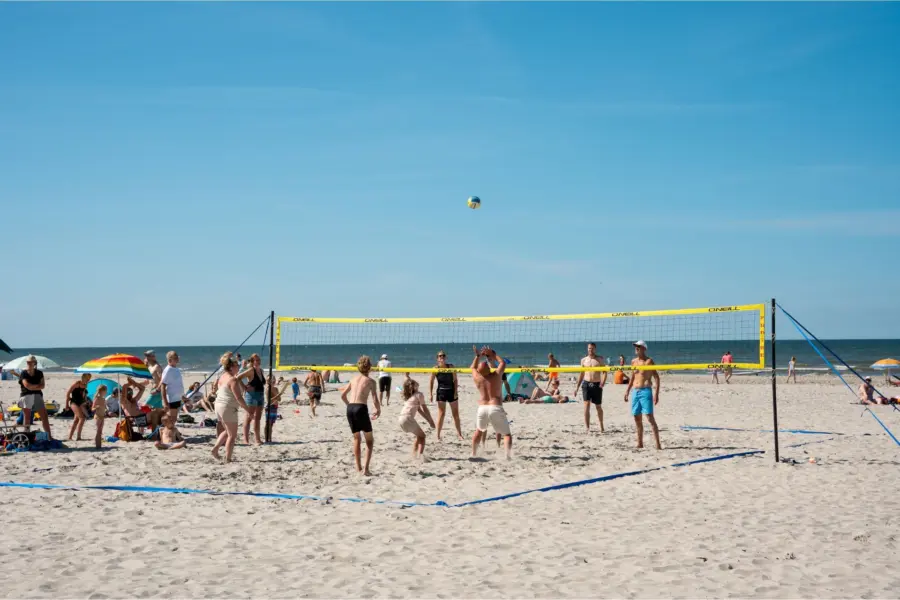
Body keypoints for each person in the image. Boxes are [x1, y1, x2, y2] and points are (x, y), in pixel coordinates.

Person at [340, 355, 381, 476]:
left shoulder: (353, 379)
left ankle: (358, 468)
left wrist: (350, 406)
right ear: (369, 367)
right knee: (369, 440)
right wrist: (378, 410)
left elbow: (342, 396)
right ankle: (366, 470)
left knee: (357, 438)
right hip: (360, 408)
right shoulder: (371, 381)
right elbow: (375, 399)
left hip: (350, 409)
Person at [470, 346, 512, 459]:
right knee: (507, 434)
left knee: (478, 431)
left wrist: (478, 356)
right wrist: (492, 354)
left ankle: (473, 454)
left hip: (482, 408)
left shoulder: (477, 378)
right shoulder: (496, 376)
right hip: (495, 406)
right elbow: (502, 362)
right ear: (489, 369)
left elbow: (473, 367)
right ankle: (507, 456)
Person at [212, 352, 250, 462]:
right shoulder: (232, 379)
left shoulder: (222, 376)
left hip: (218, 406)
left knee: (228, 431)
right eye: (237, 366)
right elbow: (238, 398)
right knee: (232, 436)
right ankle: (228, 458)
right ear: (232, 367)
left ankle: (215, 449)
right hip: (227, 407)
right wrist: (248, 411)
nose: (239, 367)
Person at [624, 341, 661, 450]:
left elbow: (657, 377)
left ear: (644, 348)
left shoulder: (649, 361)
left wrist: (656, 394)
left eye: (638, 347)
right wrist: (627, 391)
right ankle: (640, 443)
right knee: (637, 418)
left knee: (650, 418)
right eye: (635, 347)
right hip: (635, 391)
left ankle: (658, 445)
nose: (636, 348)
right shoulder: (633, 361)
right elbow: (632, 377)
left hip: (646, 391)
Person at [428, 350, 463, 441]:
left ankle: (459, 435)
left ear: (445, 357)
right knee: (441, 414)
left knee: (455, 414)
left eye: (443, 356)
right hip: (441, 393)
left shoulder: (451, 367)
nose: (442, 357)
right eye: (440, 356)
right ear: (437, 359)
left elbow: (455, 380)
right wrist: (431, 394)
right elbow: (431, 381)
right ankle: (438, 435)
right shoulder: (435, 368)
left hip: (451, 392)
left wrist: (456, 392)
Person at [398, 378, 436, 460]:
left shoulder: (410, 396)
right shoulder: (419, 394)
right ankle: (420, 456)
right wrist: (431, 421)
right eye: (416, 384)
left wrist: (429, 421)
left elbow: (420, 411)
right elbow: (425, 409)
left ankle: (414, 454)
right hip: (407, 418)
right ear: (414, 386)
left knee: (419, 436)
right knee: (422, 436)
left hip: (401, 418)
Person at [573, 342, 607, 433]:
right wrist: (577, 387)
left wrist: (602, 382)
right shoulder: (584, 360)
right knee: (586, 405)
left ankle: (601, 425)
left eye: (592, 348)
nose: (590, 350)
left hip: (597, 384)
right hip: (586, 384)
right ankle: (587, 428)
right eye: (589, 348)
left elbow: (604, 372)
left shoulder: (599, 359)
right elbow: (581, 374)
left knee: (598, 407)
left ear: (595, 349)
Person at [18, 355, 51, 439]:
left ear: (34, 363)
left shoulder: (39, 373)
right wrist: (37, 386)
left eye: (30, 362)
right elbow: (27, 385)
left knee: (44, 416)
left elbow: (42, 386)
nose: (29, 363)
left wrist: (33, 387)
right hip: (26, 395)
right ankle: (26, 436)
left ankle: (49, 436)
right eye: (28, 362)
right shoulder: (24, 373)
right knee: (27, 417)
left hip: (37, 395)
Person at [238, 354, 266, 446]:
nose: (258, 361)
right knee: (249, 417)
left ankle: (257, 439)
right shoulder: (251, 370)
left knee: (258, 418)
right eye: (256, 360)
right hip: (251, 396)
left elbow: (261, 383)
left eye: (259, 360)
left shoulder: (261, 370)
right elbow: (238, 378)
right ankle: (245, 439)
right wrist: (244, 387)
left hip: (260, 395)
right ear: (252, 361)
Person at [160, 351, 186, 424]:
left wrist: (183, 397)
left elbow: (179, 385)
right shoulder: (168, 370)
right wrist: (165, 402)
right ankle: (167, 433)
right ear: (170, 359)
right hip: (171, 399)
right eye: (175, 358)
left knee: (173, 419)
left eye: (177, 357)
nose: (178, 359)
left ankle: (172, 433)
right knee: (171, 419)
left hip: (177, 398)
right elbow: (163, 385)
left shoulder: (176, 369)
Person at [66, 373, 92, 441]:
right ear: (83, 378)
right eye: (87, 378)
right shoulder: (77, 384)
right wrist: (66, 405)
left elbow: (83, 395)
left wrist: (86, 401)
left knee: (76, 421)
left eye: (89, 379)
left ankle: (70, 437)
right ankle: (78, 437)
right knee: (82, 418)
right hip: (73, 402)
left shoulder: (85, 385)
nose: (88, 380)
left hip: (80, 403)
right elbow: (68, 393)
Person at [91, 384, 108, 449]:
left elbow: (104, 407)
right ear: (101, 391)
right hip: (97, 416)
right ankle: (97, 445)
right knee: (98, 431)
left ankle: (99, 445)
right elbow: (92, 409)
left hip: (102, 416)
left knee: (100, 431)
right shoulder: (97, 398)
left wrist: (105, 410)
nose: (106, 392)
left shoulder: (104, 399)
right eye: (105, 391)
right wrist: (96, 407)